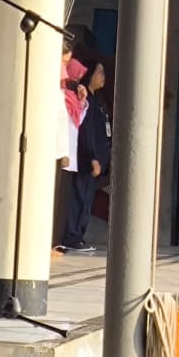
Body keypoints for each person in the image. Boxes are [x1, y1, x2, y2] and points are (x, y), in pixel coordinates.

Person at [58, 59, 109, 253]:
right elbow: (86, 133)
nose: (103, 77)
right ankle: (72, 236)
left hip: (94, 161)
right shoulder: (84, 102)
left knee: (86, 199)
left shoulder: (97, 102)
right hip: (85, 160)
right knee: (79, 198)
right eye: (99, 73)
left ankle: (78, 234)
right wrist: (93, 157)